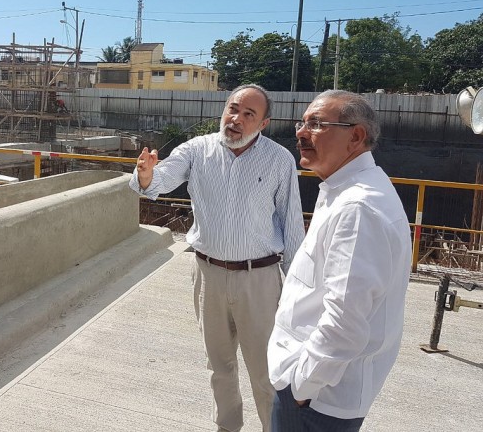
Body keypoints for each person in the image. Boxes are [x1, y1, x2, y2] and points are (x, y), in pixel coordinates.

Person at [130, 84, 305, 432]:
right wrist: (147, 175)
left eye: (248, 114)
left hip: (260, 278)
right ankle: (227, 426)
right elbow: (158, 180)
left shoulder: (279, 160)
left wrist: (296, 290)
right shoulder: (197, 150)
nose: (236, 119)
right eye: (233, 109)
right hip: (207, 274)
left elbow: (291, 224)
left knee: (266, 370)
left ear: (264, 123)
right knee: (219, 365)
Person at [267, 90, 411, 432]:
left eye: (316, 124)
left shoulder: (356, 208)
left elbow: (345, 322)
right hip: (317, 385)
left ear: (356, 136)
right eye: (302, 123)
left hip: (319, 398)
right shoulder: (345, 188)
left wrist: (302, 386)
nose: (302, 132)